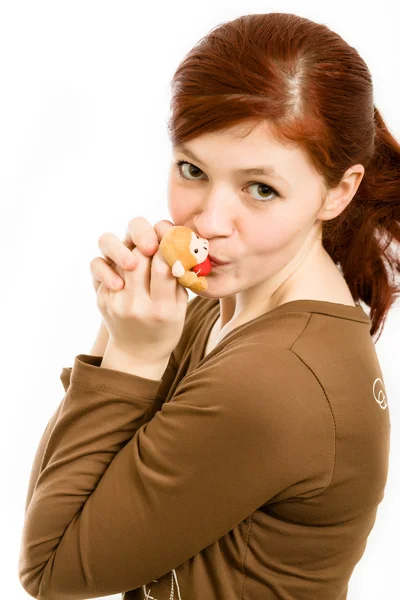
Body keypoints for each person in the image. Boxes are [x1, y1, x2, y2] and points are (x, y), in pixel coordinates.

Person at [18, 12, 398, 600]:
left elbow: (50, 570)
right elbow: (65, 498)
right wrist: (122, 326)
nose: (210, 223)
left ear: (339, 191)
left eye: (261, 188)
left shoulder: (274, 382)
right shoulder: (218, 302)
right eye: (192, 169)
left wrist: (132, 354)